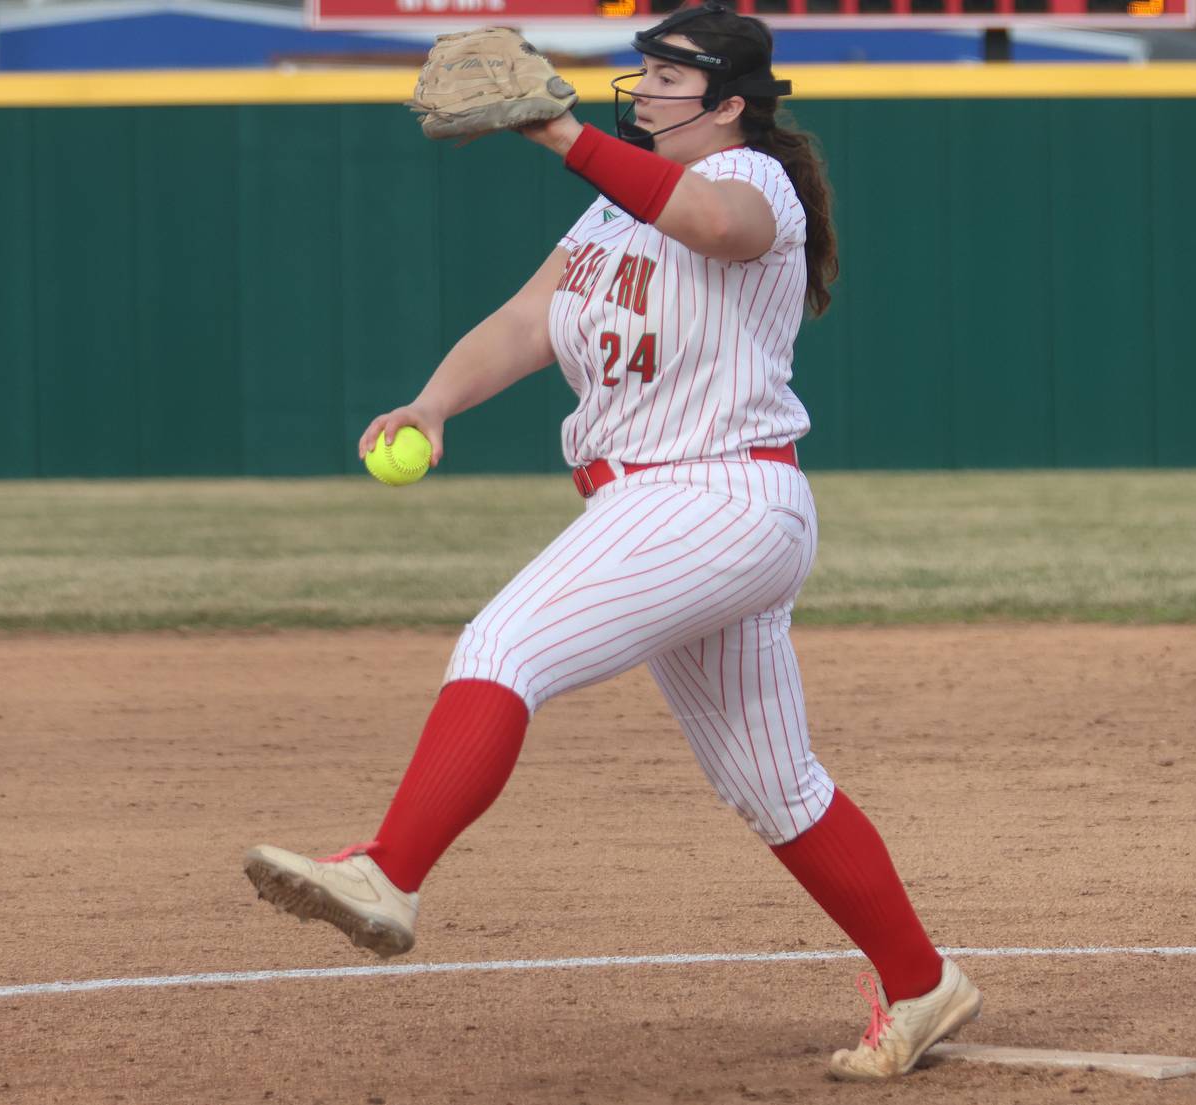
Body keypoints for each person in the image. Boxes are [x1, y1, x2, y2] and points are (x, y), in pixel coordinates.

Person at [244, 2, 979, 1081]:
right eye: (642, 71)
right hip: (672, 511)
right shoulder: (607, 216)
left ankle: (390, 872)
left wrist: (556, 135)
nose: (645, 90)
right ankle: (924, 984)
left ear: (729, 102)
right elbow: (528, 321)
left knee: (505, 645)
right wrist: (435, 401)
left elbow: (715, 226)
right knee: (778, 786)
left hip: (713, 493)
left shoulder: (756, 181)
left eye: (668, 76)